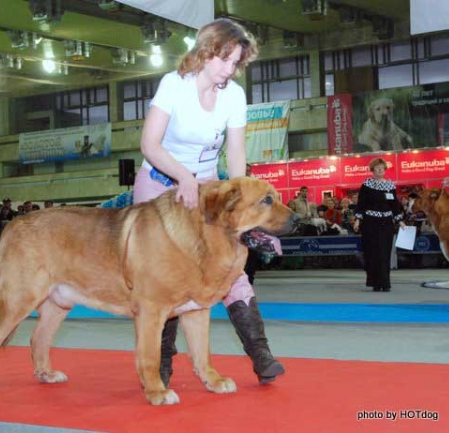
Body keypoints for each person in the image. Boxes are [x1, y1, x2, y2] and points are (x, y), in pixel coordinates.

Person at [134, 18, 284, 387]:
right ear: (205, 51)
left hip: (210, 192)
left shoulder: (234, 95)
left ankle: (260, 354)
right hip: (160, 183)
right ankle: (161, 365)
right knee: (163, 277)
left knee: (231, 268)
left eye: (236, 63)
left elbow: (235, 157)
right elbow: (150, 144)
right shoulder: (174, 85)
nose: (229, 70)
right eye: (224, 59)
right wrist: (183, 177)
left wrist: (242, 202)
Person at [353, 158, 405, 292]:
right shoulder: (367, 184)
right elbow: (361, 204)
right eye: (377, 167)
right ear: (372, 170)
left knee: (385, 253)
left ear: (385, 169)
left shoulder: (390, 186)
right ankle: (375, 282)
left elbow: (395, 206)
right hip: (370, 223)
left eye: (382, 167)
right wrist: (358, 220)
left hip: (386, 223)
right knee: (372, 253)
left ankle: (385, 283)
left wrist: (400, 221)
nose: (380, 169)